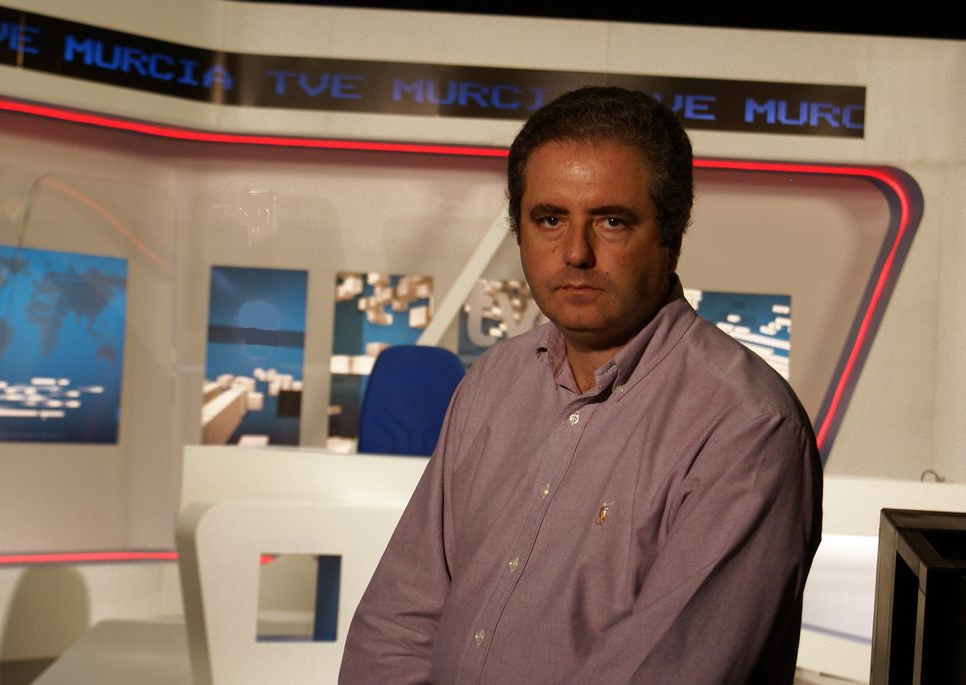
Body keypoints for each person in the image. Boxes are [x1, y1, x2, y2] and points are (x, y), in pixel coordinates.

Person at [339, 86, 822, 684]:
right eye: (549, 219)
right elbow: (398, 622)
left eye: (611, 221)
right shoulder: (493, 382)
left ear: (671, 235)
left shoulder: (748, 428)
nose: (575, 253)